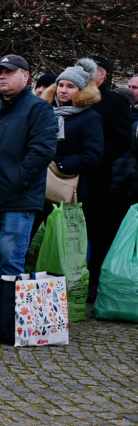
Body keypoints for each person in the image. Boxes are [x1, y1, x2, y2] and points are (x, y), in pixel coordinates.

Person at [0, 55, 57, 282]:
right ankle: (4, 312)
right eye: (0, 73)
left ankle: (10, 316)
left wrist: (18, 180)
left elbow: (42, 151)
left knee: (12, 259)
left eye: (9, 72)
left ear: (26, 76)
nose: (3, 77)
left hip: (20, 198)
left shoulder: (39, 109)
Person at [80, 55, 132, 301]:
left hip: (99, 179)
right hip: (70, 176)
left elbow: (121, 141)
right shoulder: (75, 97)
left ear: (103, 75)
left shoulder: (113, 103)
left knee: (97, 232)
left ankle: (94, 280)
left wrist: (95, 158)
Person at [39, 60, 103, 210]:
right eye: (60, 85)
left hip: (66, 184)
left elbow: (93, 154)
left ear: (81, 90)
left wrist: (62, 165)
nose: (63, 90)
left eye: (70, 86)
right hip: (39, 183)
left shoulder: (90, 117)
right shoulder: (47, 112)